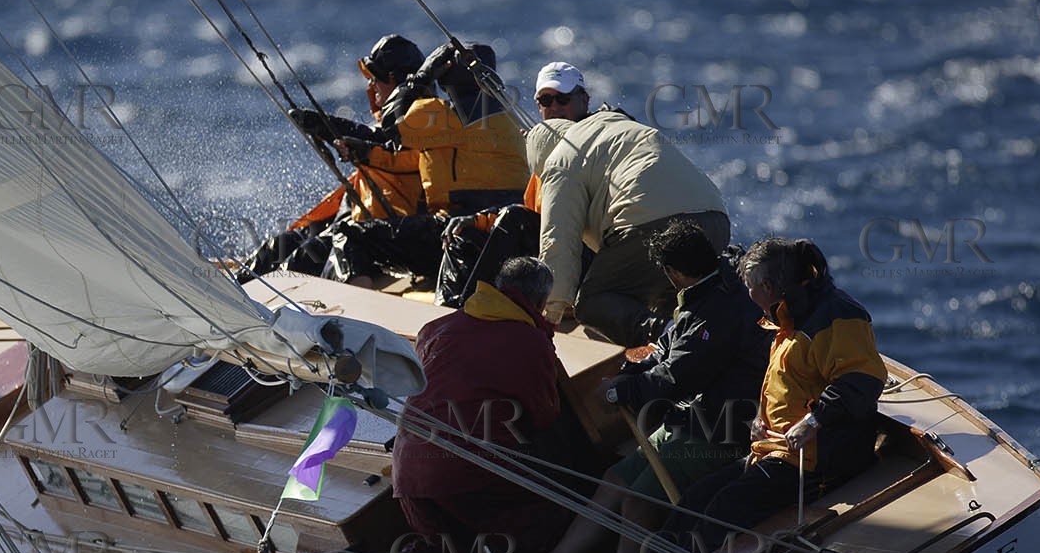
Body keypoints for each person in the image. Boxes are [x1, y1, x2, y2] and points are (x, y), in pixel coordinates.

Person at [517, 220, 771, 553]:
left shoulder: (714, 315)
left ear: (674, 273)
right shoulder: (709, 290)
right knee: (614, 480)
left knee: (637, 499)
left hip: (721, 428)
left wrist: (622, 392)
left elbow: (678, 377)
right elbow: (671, 347)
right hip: (693, 417)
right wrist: (634, 371)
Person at [631, 237, 887, 553]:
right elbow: (788, 382)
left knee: (726, 507)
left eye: (749, 288)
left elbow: (861, 380)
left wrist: (813, 422)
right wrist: (759, 419)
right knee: (697, 497)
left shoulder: (837, 318)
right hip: (776, 448)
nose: (747, 295)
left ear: (767, 287)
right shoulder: (785, 317)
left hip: (818, 457)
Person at [352, 257, 576, 553]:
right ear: (540, 304)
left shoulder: (435, 328)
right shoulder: (532, 344)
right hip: (466, 478)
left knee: (446, 552)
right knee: (556, 518)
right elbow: (545, 416)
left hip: (409, 481)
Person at [526, 61, 731, 345]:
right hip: (715, 218)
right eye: (545, 100)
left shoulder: (561, 158)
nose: (555, 106)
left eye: (563, 98)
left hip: (651, 224)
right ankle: (709, 341)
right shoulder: (620, 124)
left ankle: (671, 338)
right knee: (667, 294)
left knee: (593, 301)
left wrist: (550, 315)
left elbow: (558, 240)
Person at [325, 41, 530, 284]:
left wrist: (421, 76)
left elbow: (391, 121)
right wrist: (368, 154)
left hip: (457, 230)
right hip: (507, 232)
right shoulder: (506, 116)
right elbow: (415, 154)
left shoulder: (450, 115)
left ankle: (351, 313)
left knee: (349, 235)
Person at [238, 34, 426, 280]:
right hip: (356, 216)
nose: (370, 86)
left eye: (375, 78)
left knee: (304, 258)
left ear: (394, 80)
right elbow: (376, 137)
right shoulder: (394, 117)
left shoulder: (426, 119)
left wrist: (327, 126)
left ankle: (265, 310)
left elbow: (391, 148)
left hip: (384, 233)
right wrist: (325, 127)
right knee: (279, 246)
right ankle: (230, 295)